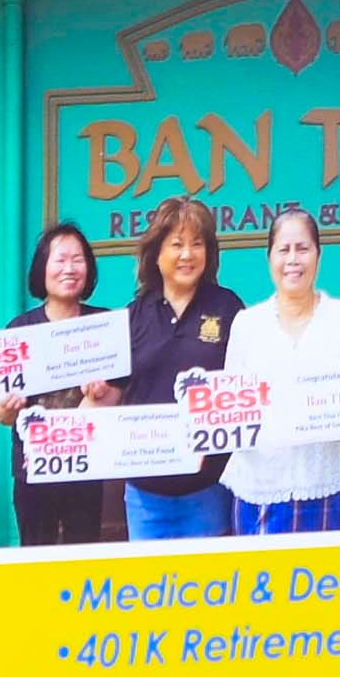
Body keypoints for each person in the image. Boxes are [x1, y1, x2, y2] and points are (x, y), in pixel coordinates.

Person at [216, 203, 340, 536]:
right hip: (259, 484)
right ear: (269, 258)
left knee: (322, 584)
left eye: (303, 249)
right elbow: (230, 407)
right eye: (284, 250)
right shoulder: (247, 324)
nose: (293, 260)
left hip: (323, 480)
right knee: (261, 586)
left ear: (318, 255)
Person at [109, 194, 241, 543]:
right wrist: (95, 393)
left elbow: (245, 390)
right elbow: (110, 394)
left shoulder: (228, 308)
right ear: (157, 253)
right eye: (177, 244)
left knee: (208, 591)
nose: (187, 254)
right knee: (151, 591)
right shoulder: (132, 316)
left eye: (197, 244)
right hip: (144, 495)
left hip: (209, 488)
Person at [0, 222, 122, 550]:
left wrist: (99, 395)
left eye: (78, 260)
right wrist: (6, 409)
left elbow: (116, 396)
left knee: (83, 551)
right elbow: (2, 416)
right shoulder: (19, 330)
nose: (70, 268)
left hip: (84, 465)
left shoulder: (103, 325)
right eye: (60, 260)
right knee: (35, 555)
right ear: (42, 269)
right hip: (32, 469)